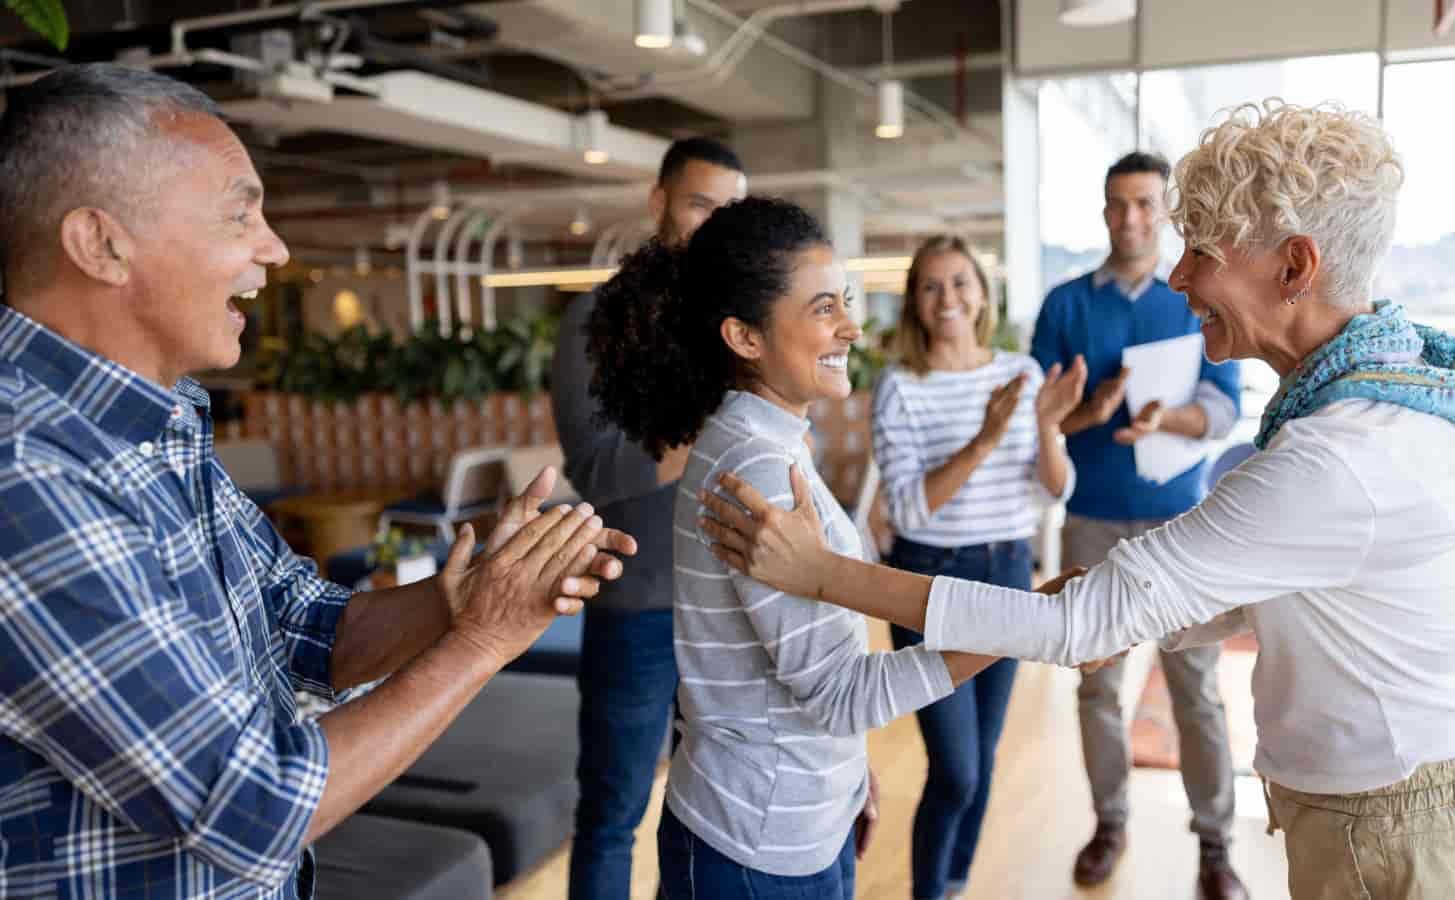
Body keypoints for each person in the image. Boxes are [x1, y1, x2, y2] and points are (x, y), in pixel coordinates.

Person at [698, 101, 1455, 899]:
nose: (1179, 277)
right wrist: (1094, 607)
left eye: (1205, 253)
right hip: (1405, 826)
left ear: (1296, 265)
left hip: (1418, 849)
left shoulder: (1338, 453)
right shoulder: (1383, 398)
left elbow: (1084, 628)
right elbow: (1299, 596)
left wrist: (823, 574)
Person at [0, 64, 636, 897]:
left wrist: (474, 591)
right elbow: (252, 804)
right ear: (101, 244)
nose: (276, 249)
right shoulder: (26, 470)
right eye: (240, 214)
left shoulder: (157, 423)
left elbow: (306, 629)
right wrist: (484, 640)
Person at [587, 196, 1000, 899]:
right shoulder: (755, 470)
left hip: (795, 821)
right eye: (822, 309)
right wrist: (1017, 631)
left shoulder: (769, 443)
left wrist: (842, 775)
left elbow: (802, 664)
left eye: (844, 300)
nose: (849, 325)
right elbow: (842, 693)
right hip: (753, 845)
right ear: (745, 338)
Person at [1030, 151, 1246, 898]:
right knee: (1096, 688)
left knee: (1197, 692)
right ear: (1104, 211)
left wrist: (1166, 416)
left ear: (1165, 211)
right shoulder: (1063, 306)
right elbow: (1042, 419)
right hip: (1089, 519)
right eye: (1118, 204)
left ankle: (1216, 846)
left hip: (1183, 527)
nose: (1130, 218)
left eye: (1145, 204)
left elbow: (1223, 403)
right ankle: (1110, 821)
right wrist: (1093, 411)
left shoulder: (1195, 296)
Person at [551, 136, 747, 900]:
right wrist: (714, 418)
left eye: (730, 211)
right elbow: (601, 471)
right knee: (612, 815)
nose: (713, 225)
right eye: (701, 204)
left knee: (716, 816)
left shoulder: (743, 322)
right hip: (638, 608)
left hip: (733, 606)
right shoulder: (595, 320)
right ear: (659, 202)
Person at [874, 233, 1082, 900]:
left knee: (983, 760)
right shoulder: (900, 387)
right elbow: (907, 511)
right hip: (929, 583)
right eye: (931, 286)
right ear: (915, 302)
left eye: (960, 282)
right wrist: (984, 440)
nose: (948, 298)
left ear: (982, 293)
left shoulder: (1016, 373)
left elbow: (1055, 489)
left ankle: (955, 882)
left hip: (1007, 572)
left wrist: (1047, 427)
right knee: (956, 768)